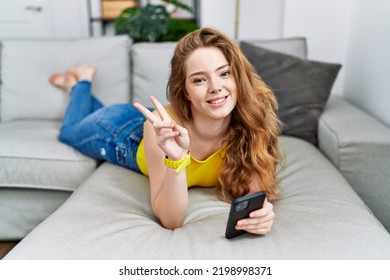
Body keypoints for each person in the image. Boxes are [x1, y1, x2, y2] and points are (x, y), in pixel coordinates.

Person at [49, 27, 282, 235]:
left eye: (224, 73)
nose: (216, 87)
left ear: (238, 77)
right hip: (121, 132)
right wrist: (177, 158)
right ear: (186, 92)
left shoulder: (253, 120)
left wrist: (263, 213)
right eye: (200, 80)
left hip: (165, 117)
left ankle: (82, 92)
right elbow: (172, 221)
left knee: (85, 120)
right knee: (69, 131)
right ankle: (81, 82)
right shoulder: (157, 127)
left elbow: (255, 195)